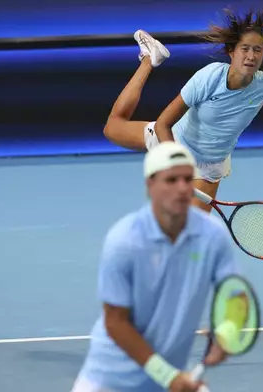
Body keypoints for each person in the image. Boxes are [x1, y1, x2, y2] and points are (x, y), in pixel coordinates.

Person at [103, 8, 263, 213]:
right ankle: (151, 58)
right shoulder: (208, 77)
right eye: (245, 48)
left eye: (258, 49)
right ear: (231, 52)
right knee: (112, 128)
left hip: (209, 165)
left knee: (192, 232)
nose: (251, 55)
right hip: (175, 141)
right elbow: (162, 125)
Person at [71, 142, 241, 392]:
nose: (183, 188)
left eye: (187, 179)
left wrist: (226, 331)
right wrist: (167, 376)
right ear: (150, 185)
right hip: (110, 382)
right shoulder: (125, 240)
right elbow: (115, 322)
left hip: (169, 381)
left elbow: (235, 294)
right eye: (171, 180)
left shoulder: (213, 237)